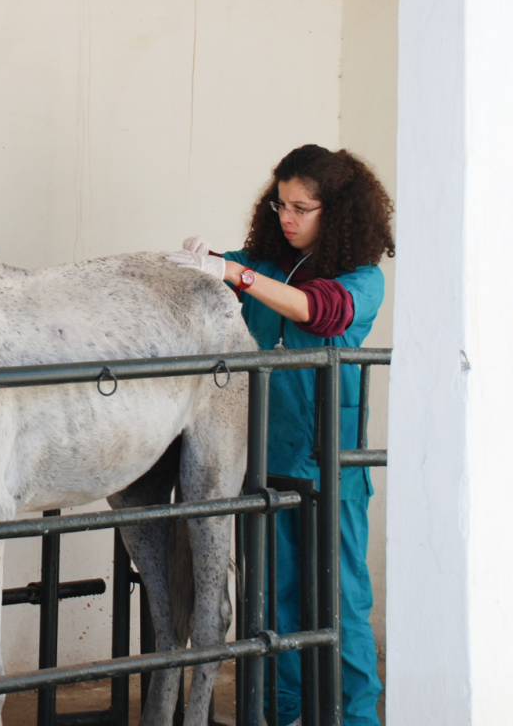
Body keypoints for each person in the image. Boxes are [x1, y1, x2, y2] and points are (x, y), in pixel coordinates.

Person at [166, 144, 394, 726]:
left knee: (341, 601)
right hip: (263, 459)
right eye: (280, 205)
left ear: (336, 213)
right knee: (271, 601)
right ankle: (283, 713)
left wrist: (235, 274)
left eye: (301, 207)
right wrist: (202, 257)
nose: (286, 218)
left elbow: (318, 312)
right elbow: (222, 269)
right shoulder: (268, 262)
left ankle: (357, 717)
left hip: (329, 467)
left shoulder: (362, 279)